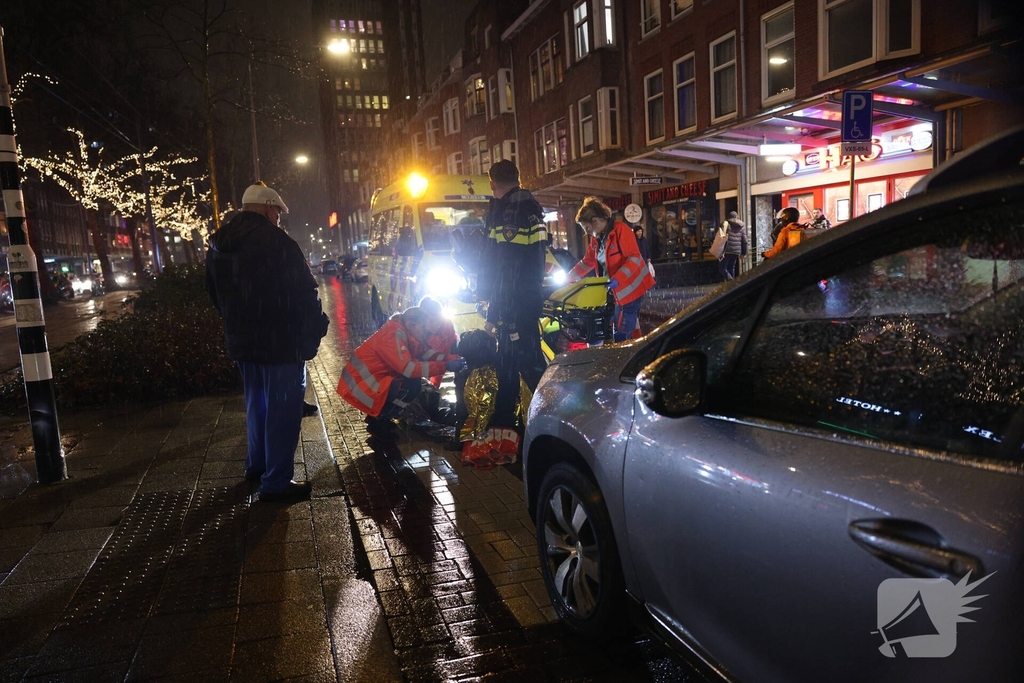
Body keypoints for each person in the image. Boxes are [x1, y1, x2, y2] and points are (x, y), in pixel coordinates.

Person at [206, 182, 329, 503]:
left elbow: (214, 294)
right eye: (277, 212)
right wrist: (316, 328)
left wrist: (237, 323)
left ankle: (256, 465)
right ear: (268, 208)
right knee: (283, 410)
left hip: (244, 341)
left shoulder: (219, 243)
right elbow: (305, 292)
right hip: (280, 342)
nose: (278, 218)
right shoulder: (278, 243)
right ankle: (276, 481)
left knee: (256, 405)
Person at [478, 160, 549, 435]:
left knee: (528, 365)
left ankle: (557, 416)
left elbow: (506, 270)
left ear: (492, 183)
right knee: (507, 364)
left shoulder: (511, 214)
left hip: (514, 306)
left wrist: (494, 312)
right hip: (522, 301)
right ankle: (504, 426)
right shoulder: (528, 208)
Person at [336, 306, 466, 435]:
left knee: (411, 383)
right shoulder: (393, 336)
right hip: (360, 387)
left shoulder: (406, 333)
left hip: (367, 381)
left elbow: (425, 353)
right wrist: (445, 366)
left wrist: (450, 358)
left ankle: (380, 417)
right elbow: (408, 369)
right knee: (411, 385)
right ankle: (379, 421)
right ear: (411, 324)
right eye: (423, 327)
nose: (427, 331)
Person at [569, 197, 656, 342]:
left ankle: (626, 356)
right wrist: (569, 277)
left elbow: (634, 259)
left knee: (621, 332)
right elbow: (588, 262)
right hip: (615, 291)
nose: (588, 232)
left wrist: (617, 279)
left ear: (595, 221)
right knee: (618, 328)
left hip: (630, 290)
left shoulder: (621, 230)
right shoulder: (597, 238)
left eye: (587, 228)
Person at [719, 211, 748, 280]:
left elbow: (721, 237)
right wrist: (744, 253)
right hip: (736, 251)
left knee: (722, 268)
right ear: (736, 217)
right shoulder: (741, 226)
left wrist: (721, 251)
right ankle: (731, 285)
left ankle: (731, 282)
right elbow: (745, 241)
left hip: (727, 250)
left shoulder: (725, 224)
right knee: (731, 267)